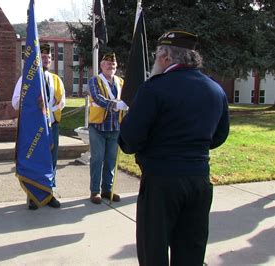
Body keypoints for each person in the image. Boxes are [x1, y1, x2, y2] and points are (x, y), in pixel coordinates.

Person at [118, 30, 230, 265]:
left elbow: (129, 140)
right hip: (199, 179)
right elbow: (219, 136)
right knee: (191, 250)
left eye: (157, 55)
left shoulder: (154, 89)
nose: (156, 61)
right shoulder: (215, 89)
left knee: (154, 250)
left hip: (161, 181)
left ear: (166, 58)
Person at [12, 43, 65, 210]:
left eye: (48, 57)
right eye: (42, 57)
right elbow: (15, 103)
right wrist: (34, 107)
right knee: (34, 160)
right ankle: (34, 196)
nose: (46, 59)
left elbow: (62, 102)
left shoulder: (56, 79)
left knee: (51, 161)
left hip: (51, 126)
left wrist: (48, 111)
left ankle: (49, 194)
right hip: (34, 127)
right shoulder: (25, 79)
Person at [87, 52, 128, 205]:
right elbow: (97, 98)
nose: (111, 67)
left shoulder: (121, 82)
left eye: (114, 65)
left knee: (111, 160)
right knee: (97, 159)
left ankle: (107, 189)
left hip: (115, 127)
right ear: (102, 65)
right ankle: (95, 191)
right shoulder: (94, 80)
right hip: (98, 126)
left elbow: (127, 98)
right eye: (108, 64)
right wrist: (116, 105)